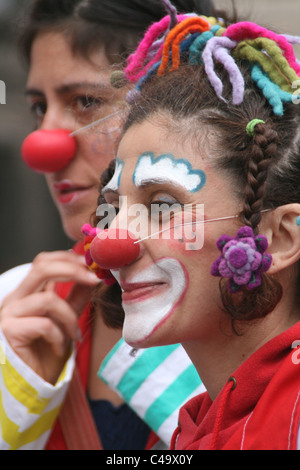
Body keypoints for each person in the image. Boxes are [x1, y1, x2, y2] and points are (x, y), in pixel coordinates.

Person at [0, 0, 222, 451]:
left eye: (85, 102)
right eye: (40, 107)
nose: (45, 145)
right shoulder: (15, 304)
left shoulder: (271, 315)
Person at [86, 6, 300, 450]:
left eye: (162, 204)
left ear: (280, 238)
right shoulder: (195, 428)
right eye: (113, 207)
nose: (111, 242)